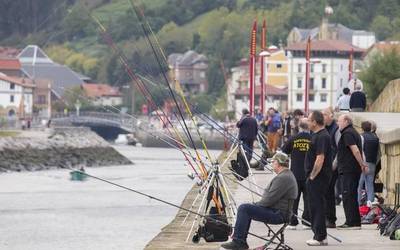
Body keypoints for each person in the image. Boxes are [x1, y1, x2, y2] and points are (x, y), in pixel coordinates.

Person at [221, 152, 298, 250]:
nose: (272, 164)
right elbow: (270, 199)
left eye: (273, 162)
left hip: (278, 215)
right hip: (279, 212)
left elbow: (268, 200)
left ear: (278, 163)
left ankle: (238, 242)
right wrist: (256, 205)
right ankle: (240, 240)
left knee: (244, 208)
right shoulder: (286, 175)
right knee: (247, 208)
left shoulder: (283, 178)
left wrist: (256, 205)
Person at [304, 110, 332, 246]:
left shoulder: (322, 136)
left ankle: (319, 237)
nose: (307, 122)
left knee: (317, 206)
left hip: (318, 177)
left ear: (315, 122)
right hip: (316, 177)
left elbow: (320, 158)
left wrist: (312, 176)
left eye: (309, 120)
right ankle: (320, 235)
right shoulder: (316, 135)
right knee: (315, 205)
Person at [336, 114, 368, 229]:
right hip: (351, 169)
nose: (337, 123)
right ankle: (354, 222)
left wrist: (362, 164)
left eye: (339, 121)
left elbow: (355, 150)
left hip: (349, 169)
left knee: (348, 195)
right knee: (351, 195)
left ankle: (351, 222)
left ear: (346, 121)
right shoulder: (353, 132)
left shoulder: (347, 133)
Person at [282, 118, 311, 230]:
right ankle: (307, 222)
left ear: (299, 127)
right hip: (309, 173)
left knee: (294, 198)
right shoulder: (313, 138)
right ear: (308, 127)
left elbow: (283, 151)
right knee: (308, 199)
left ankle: (292, 222)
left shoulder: (293, 138)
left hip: (295, 172)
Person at [322, 108, 340, 228]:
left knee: (329, 193)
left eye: (325, 114)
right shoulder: (325, 128)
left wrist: (333, 165)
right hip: (325, 165)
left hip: (332, 167)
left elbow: (340, 149)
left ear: (331, 116)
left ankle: (330, 219)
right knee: (325, 193)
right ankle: (326, 217)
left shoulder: (336, 129)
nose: (323, 116)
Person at [358, 121, 380, 206]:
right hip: (373, 163)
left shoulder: (361, 137)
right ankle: (370, 203)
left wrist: (361, 163)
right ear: (370, 127)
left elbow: (360, 150)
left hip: (364, 163)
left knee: (359, 184)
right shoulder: (375, 138)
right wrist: (375, 162)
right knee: (370, 184)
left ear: (362, 128)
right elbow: (378, 153)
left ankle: (358, 203)